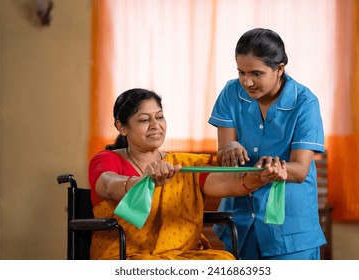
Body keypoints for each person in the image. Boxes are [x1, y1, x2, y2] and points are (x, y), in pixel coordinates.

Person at [88, 88, 285, 260]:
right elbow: (109, 185)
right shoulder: (107, 159)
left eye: (159, 116)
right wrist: (145, 182)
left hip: (182, 255)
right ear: (122, 127)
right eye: (144, 120)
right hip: (125, 256)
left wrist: (260, 177)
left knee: (223, 261)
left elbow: (225, 183)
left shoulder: (184, 164)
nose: (155, 125)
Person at [208, 28, 326, 260]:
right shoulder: (230, 93)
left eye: (256, 73)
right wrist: (229, 148)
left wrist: (274, 169)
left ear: (279, 68)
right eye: (241, 72)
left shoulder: (305, 103)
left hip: (290, 229)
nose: (247, 81)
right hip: (239, 223)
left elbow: (300, 170)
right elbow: (223, 158)